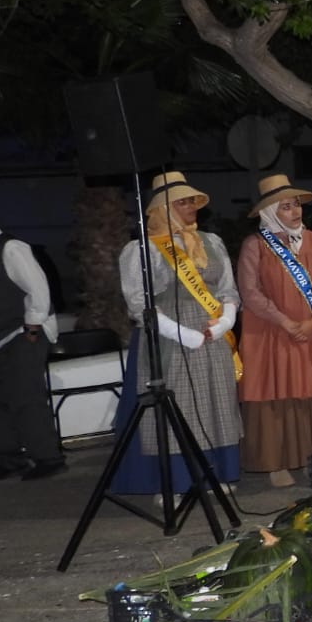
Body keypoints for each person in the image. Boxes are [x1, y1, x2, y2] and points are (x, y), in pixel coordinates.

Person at [109, 172, 242, 496]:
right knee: (178, 407)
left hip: (211, 335)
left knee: (216, 405)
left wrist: (225, 322)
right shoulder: (143, 249)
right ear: (163, 208)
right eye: (182, 202)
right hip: (170, 338)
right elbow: (139, 305)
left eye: (192, 201)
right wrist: (182, 334)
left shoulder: (211, 242)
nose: (191, 207)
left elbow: (228, 290)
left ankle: (215, 474)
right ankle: (178, 482)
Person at [236, 174, 312, 487]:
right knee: (277, 393)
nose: (294, 211)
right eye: (285, 207)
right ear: (269, 211)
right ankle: (277, 462)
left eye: (296, 205)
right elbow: (250, 291)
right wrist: (285, 322)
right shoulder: (255, 245)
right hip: (270, 332)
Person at [0, 206, 63, 481]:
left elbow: (38, 289)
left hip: (20, 332)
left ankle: (48, 457)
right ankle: (10, 458)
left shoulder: (11, 248)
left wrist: (31, 328)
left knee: (26, 397)